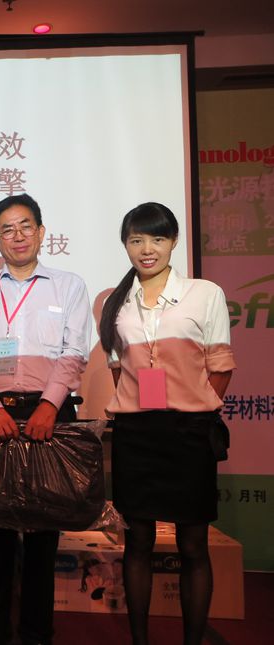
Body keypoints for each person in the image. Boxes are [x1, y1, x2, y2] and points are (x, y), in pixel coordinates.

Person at [99, 202, 235, 645]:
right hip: (136, 436)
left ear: (174, 241)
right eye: (136, 240)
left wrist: (195, 407)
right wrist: (143, 406)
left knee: (192, 545)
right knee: (137, 543)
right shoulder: (116, 303)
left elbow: (220, 365)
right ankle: (140, 640)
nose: (147, 249)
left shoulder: (204, 293)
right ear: (125, 245)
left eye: (157, 238)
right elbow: (119, 371)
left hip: (189, 434)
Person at [0, 193, 90, 645]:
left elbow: (75, 351)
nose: (18, 236)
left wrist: (50, 405)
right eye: (7, 230)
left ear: (41, 231)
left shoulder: (69, 285)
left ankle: (36, 632)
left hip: (49, 415)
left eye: (26, 226)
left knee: (42, 535)